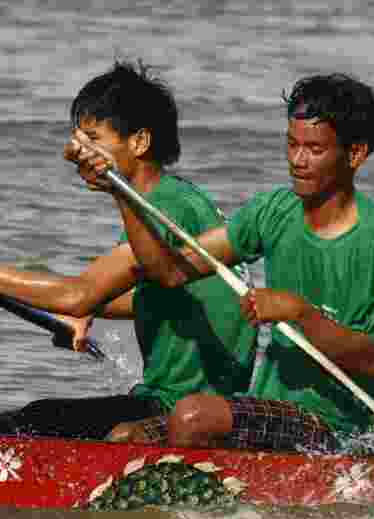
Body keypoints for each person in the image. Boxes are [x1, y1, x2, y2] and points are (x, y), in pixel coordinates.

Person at [66, 73, 374, 452]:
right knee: (126, 436)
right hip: (270, 408)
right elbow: (171, 270)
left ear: (355, 154)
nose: (297, 160)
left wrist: (299, 313)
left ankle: (200, 509)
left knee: (191, 417)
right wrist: (120, 190)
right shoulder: (274, 210)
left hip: (333, 425)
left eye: (314, 149)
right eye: (291, 144)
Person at [0, 60, 256, 442]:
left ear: (139, 142)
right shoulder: (179, 198)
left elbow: (77, 294)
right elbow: (146, 297)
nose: (78, 150)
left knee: (25, 424)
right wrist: (84, 311)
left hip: (180, 407)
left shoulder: (166, 206)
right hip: (187, 400)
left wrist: (80, 305)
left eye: (93, 138)